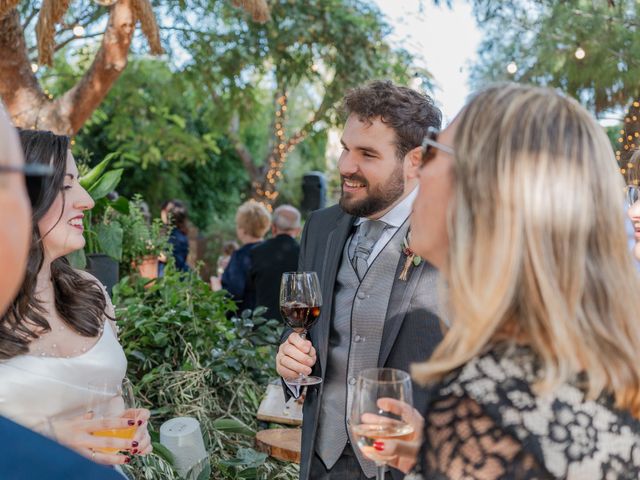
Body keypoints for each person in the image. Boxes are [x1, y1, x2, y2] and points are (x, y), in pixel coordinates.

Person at [384, 83, 640, 478]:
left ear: (483, 193)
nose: (414, 165)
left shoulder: (492, 400)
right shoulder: (584, 373)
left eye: (432, 149)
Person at [275, 80, 444, 479]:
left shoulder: (455, 238)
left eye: (367, 154)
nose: (346, 166)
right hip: (322, 458)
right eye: (346, 149)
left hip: (410, 466)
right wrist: (289, 364)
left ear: (416, 161)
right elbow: (304, 330)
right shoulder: (320, 227)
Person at [0, 128, 152, 466]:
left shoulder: (90, 291)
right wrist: (50, 444)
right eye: (66, 186)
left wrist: (129, 429)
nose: (87, 200)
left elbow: (110, 400)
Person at [247, 205, 301, 320]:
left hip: (262, 325)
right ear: (298, 230)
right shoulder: (305, 254)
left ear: (273, 228)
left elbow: (248, 289)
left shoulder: (256, 252)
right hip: (294, 326)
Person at [218, 200, 271, 311]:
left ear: (243, 230)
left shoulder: (240, 256)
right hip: (271, 319)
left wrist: (217, 287)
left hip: (247, 320)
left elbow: (233, 295)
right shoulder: (272, 252)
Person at [159, 199, 190, 274]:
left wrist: (156, 253)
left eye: (168, 211)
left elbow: (176, 261)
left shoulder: (175, 236)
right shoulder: (178, 234)